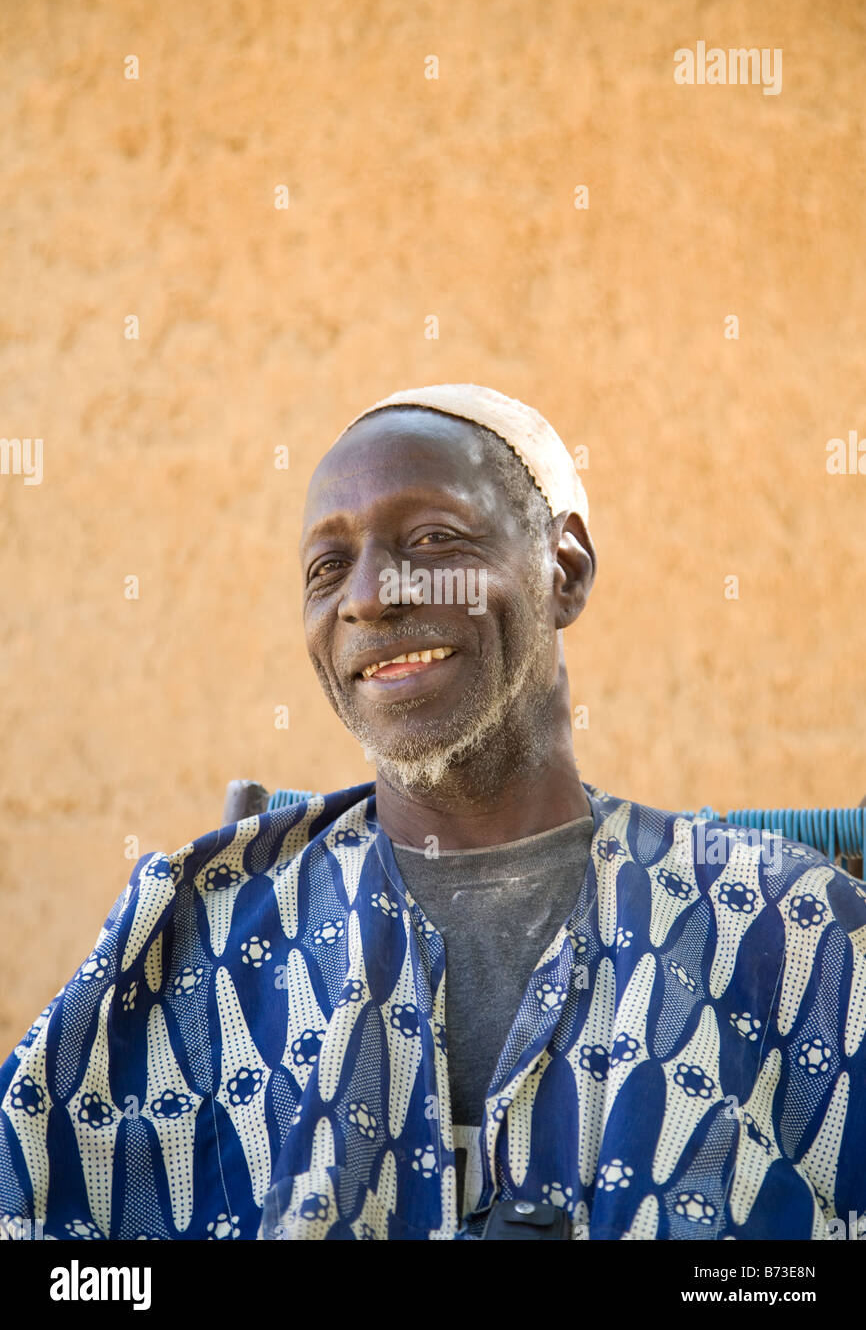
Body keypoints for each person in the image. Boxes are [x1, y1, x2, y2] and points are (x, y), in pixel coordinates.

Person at [1, 383, 864, 1242]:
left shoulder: (790, 934)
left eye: (432, 540)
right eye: (327, 567)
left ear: (563, 572)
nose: (370, 596)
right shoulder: (200, 921)